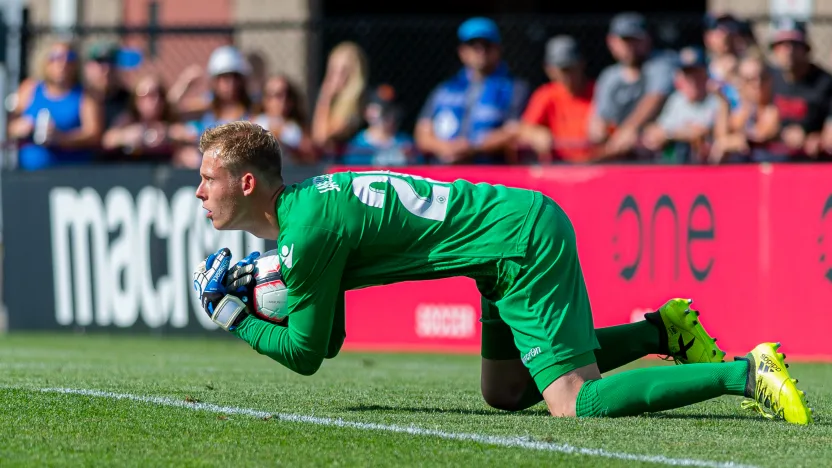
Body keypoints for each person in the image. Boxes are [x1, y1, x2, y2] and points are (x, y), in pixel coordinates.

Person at [192, 120, 813, 424]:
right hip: (497, 248)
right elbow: (326, 338)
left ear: (247, 184)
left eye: (207, 178)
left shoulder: (306, 234)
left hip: (517, 241)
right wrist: (266, 285)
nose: (198, 192)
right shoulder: (308, 217)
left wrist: (234, 316)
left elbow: (304, 355)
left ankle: (744, 373)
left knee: (574, 404)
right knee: (506, 393)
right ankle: (664, 333)